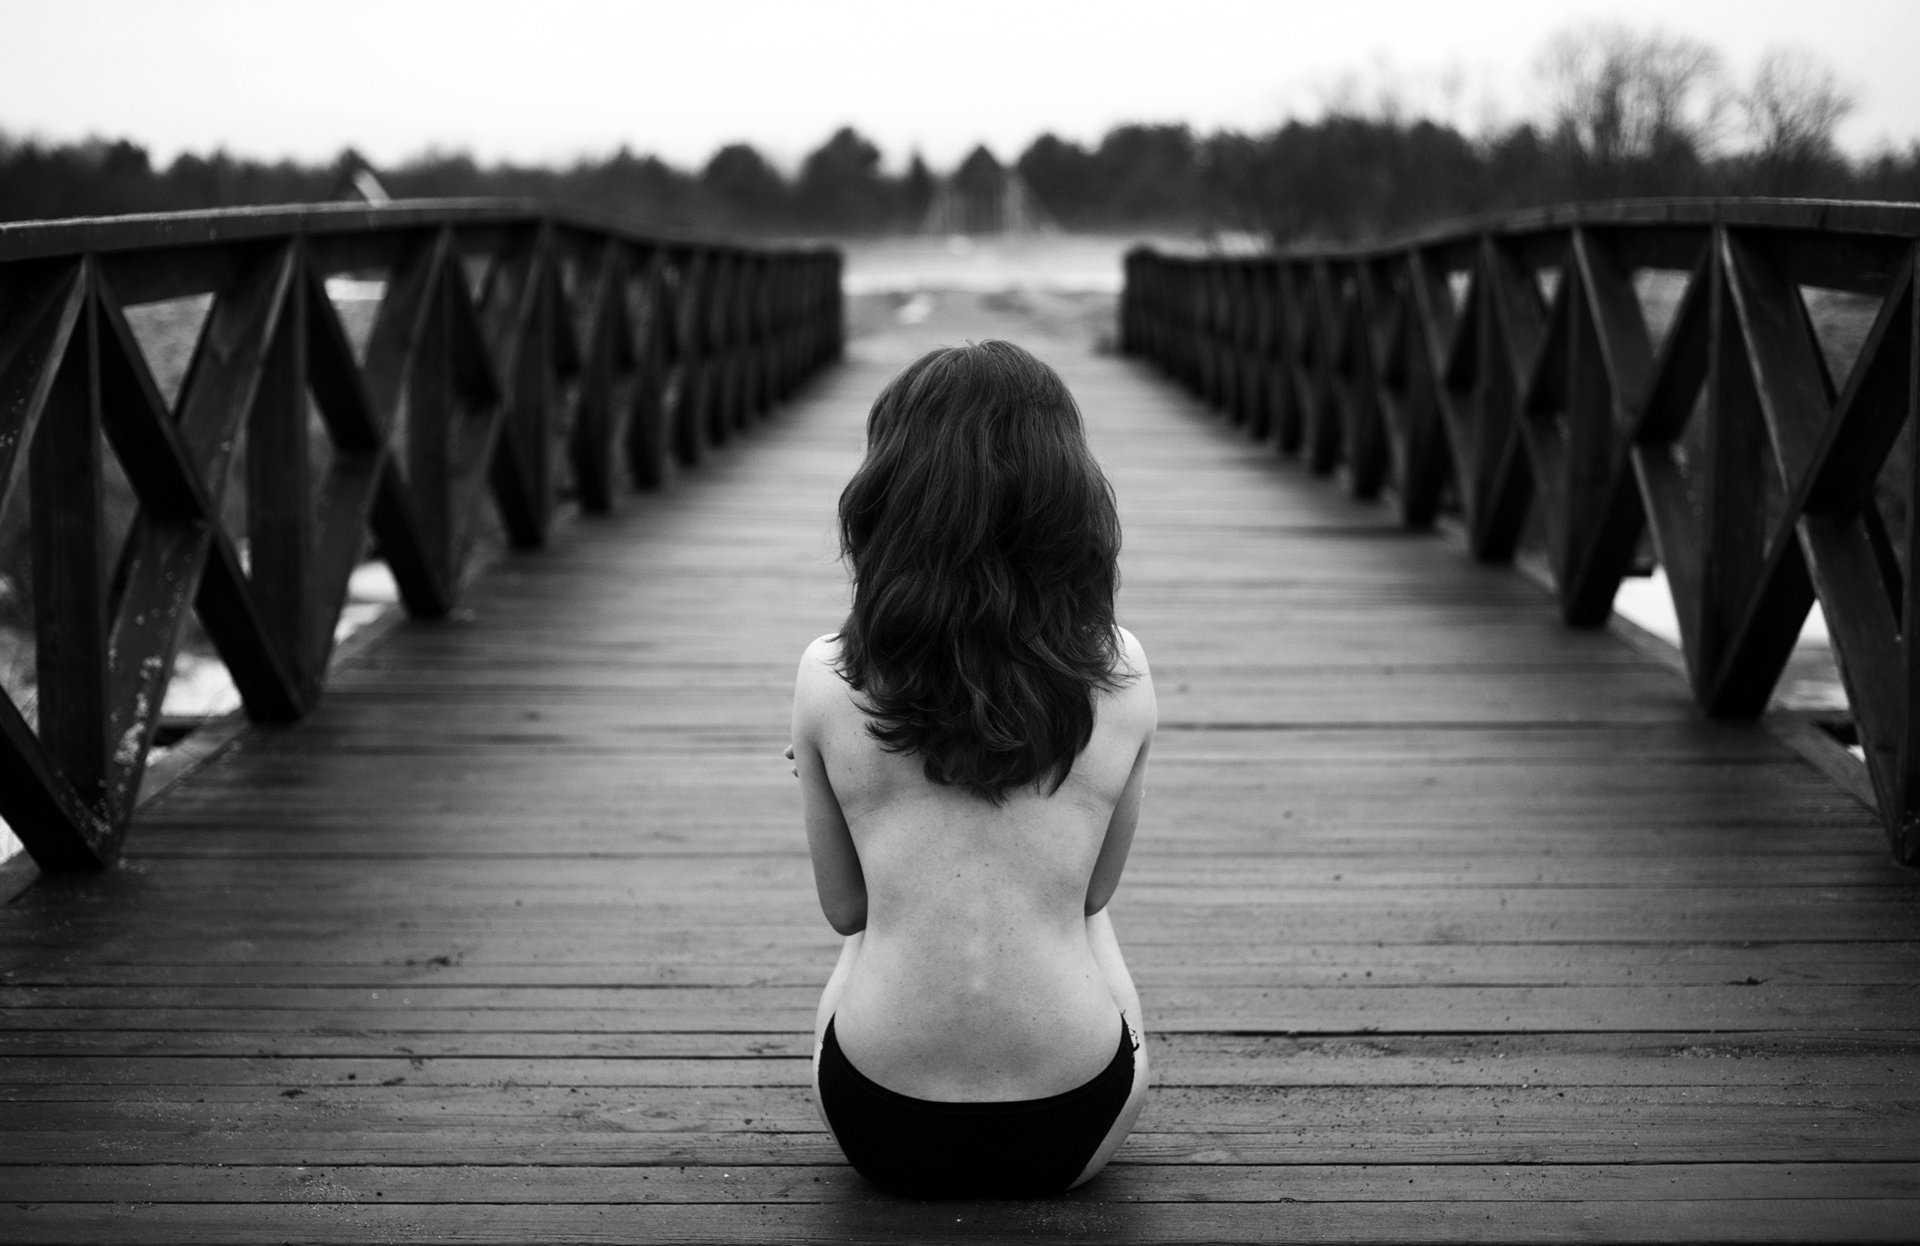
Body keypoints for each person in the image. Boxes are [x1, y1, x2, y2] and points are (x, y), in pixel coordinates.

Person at [788, 339, 1156, 1199]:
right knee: (1075, 915)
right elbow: (1092, 895)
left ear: (889, 497)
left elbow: (845, 909)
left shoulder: (826, 673)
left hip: (876, 1119)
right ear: (1068, 498)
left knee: (881, 927)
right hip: (1073, 1120)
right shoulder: (1124, 668)